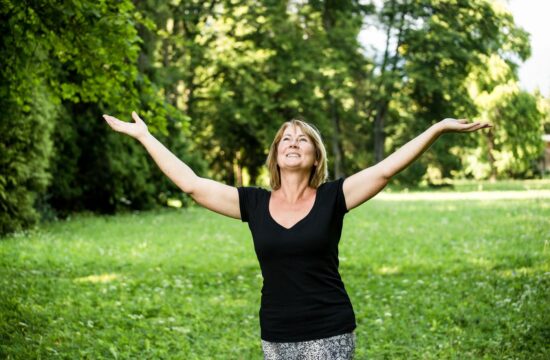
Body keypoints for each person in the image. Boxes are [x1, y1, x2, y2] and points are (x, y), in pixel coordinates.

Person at [103, 112, 491, 359]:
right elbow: (191, 184)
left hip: (330, 328)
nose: (292, 142)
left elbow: (385, 170)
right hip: (276, 332)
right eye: (285, 138)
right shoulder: (252, 204)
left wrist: (437, 129)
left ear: (315, 157)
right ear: (275, 155)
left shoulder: (333, 197)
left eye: (302, 139)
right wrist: (145, 137)